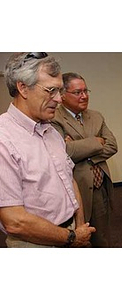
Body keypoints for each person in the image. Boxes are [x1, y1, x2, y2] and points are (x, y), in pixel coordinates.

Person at [0, 52, 96, 247]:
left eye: (59, 91)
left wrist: (79, 227)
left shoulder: (51, 131)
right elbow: (14, 221)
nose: (59, 99)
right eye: (51, 90)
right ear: (23, 88)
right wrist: (72, 237)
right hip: (34, 243)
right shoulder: (4, 139)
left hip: (70, 233)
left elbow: (69, 180)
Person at [51, 72, 118, 247]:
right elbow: (62, 152)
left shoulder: (96, 116)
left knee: (101, 238)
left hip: (99, 187)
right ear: (63, 95)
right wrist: (96, 142)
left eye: (86, 91)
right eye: (78, 92)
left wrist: (79, 149)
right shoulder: (53, 118)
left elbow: (112, 145)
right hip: (72, 191)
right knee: (76, 241)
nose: (84, 96)